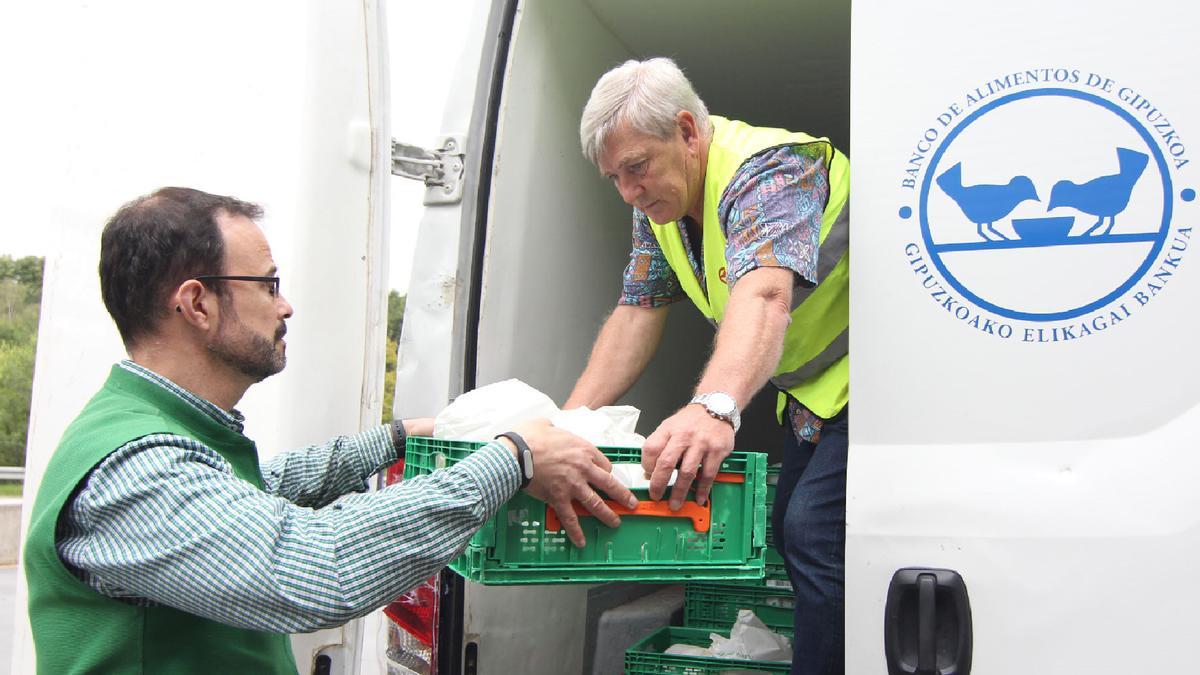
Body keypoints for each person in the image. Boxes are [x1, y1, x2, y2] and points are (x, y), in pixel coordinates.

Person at [23, 186, 638, 674]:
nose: (284, 305)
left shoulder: (163, 432)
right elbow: (318, 566)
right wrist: (514, 456)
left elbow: (262, 486)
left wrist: (398, 438)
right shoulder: (134, 468)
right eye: (266, 285)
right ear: (197, 304)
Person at [565, 58, 849, 675]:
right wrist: (567, 428)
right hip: (813, 398)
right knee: (790, 531)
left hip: (876, 384)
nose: (628, 192)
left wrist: (713, 406)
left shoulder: (773, 171)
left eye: (636, 168)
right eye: (614, 177)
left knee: (816, 538)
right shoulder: (658, 212)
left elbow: (765, 294)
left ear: (688, 133)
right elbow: (636, 312)